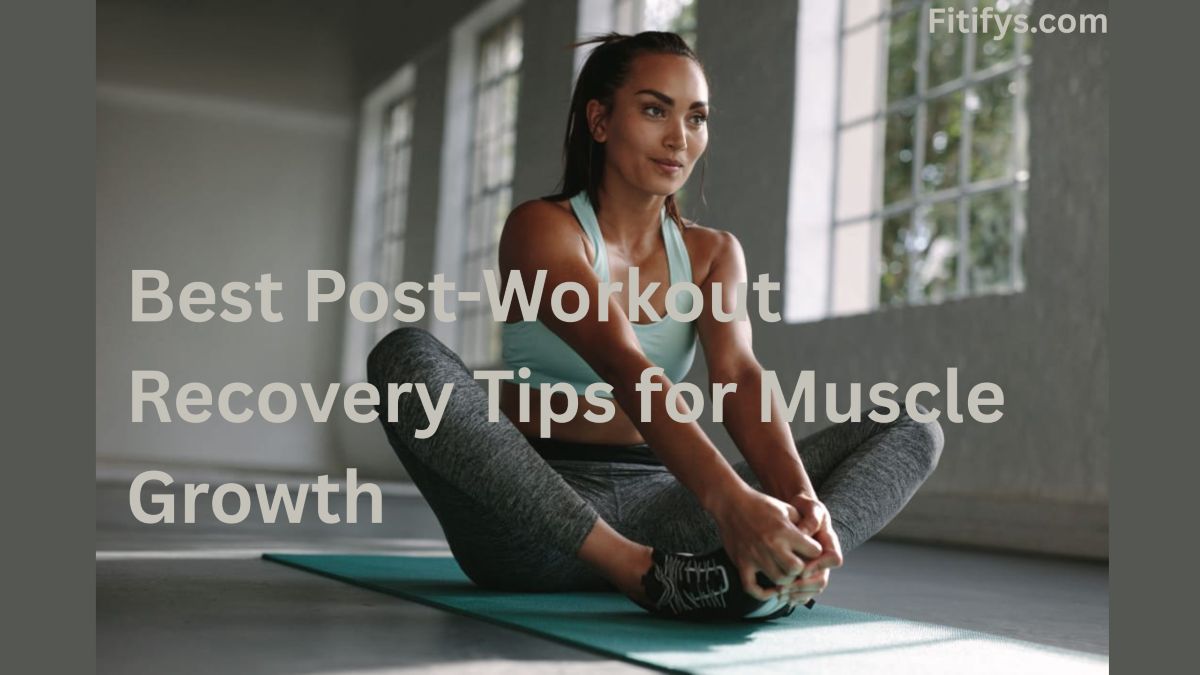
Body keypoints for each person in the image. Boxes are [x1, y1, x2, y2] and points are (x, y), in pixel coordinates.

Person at [366, 31, 944, 622]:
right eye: (653, 110)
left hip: (665, 507)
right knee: (404, 356)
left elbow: (738, 377)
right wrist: (731, 501)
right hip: (533, 516)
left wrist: (795, 497)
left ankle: (779, 570)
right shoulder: (541, 229)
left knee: (911, 429)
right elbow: (623, 365)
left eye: (696, 118)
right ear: (599, 120)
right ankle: (637, 572)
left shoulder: (714, 253)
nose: (679, 138)